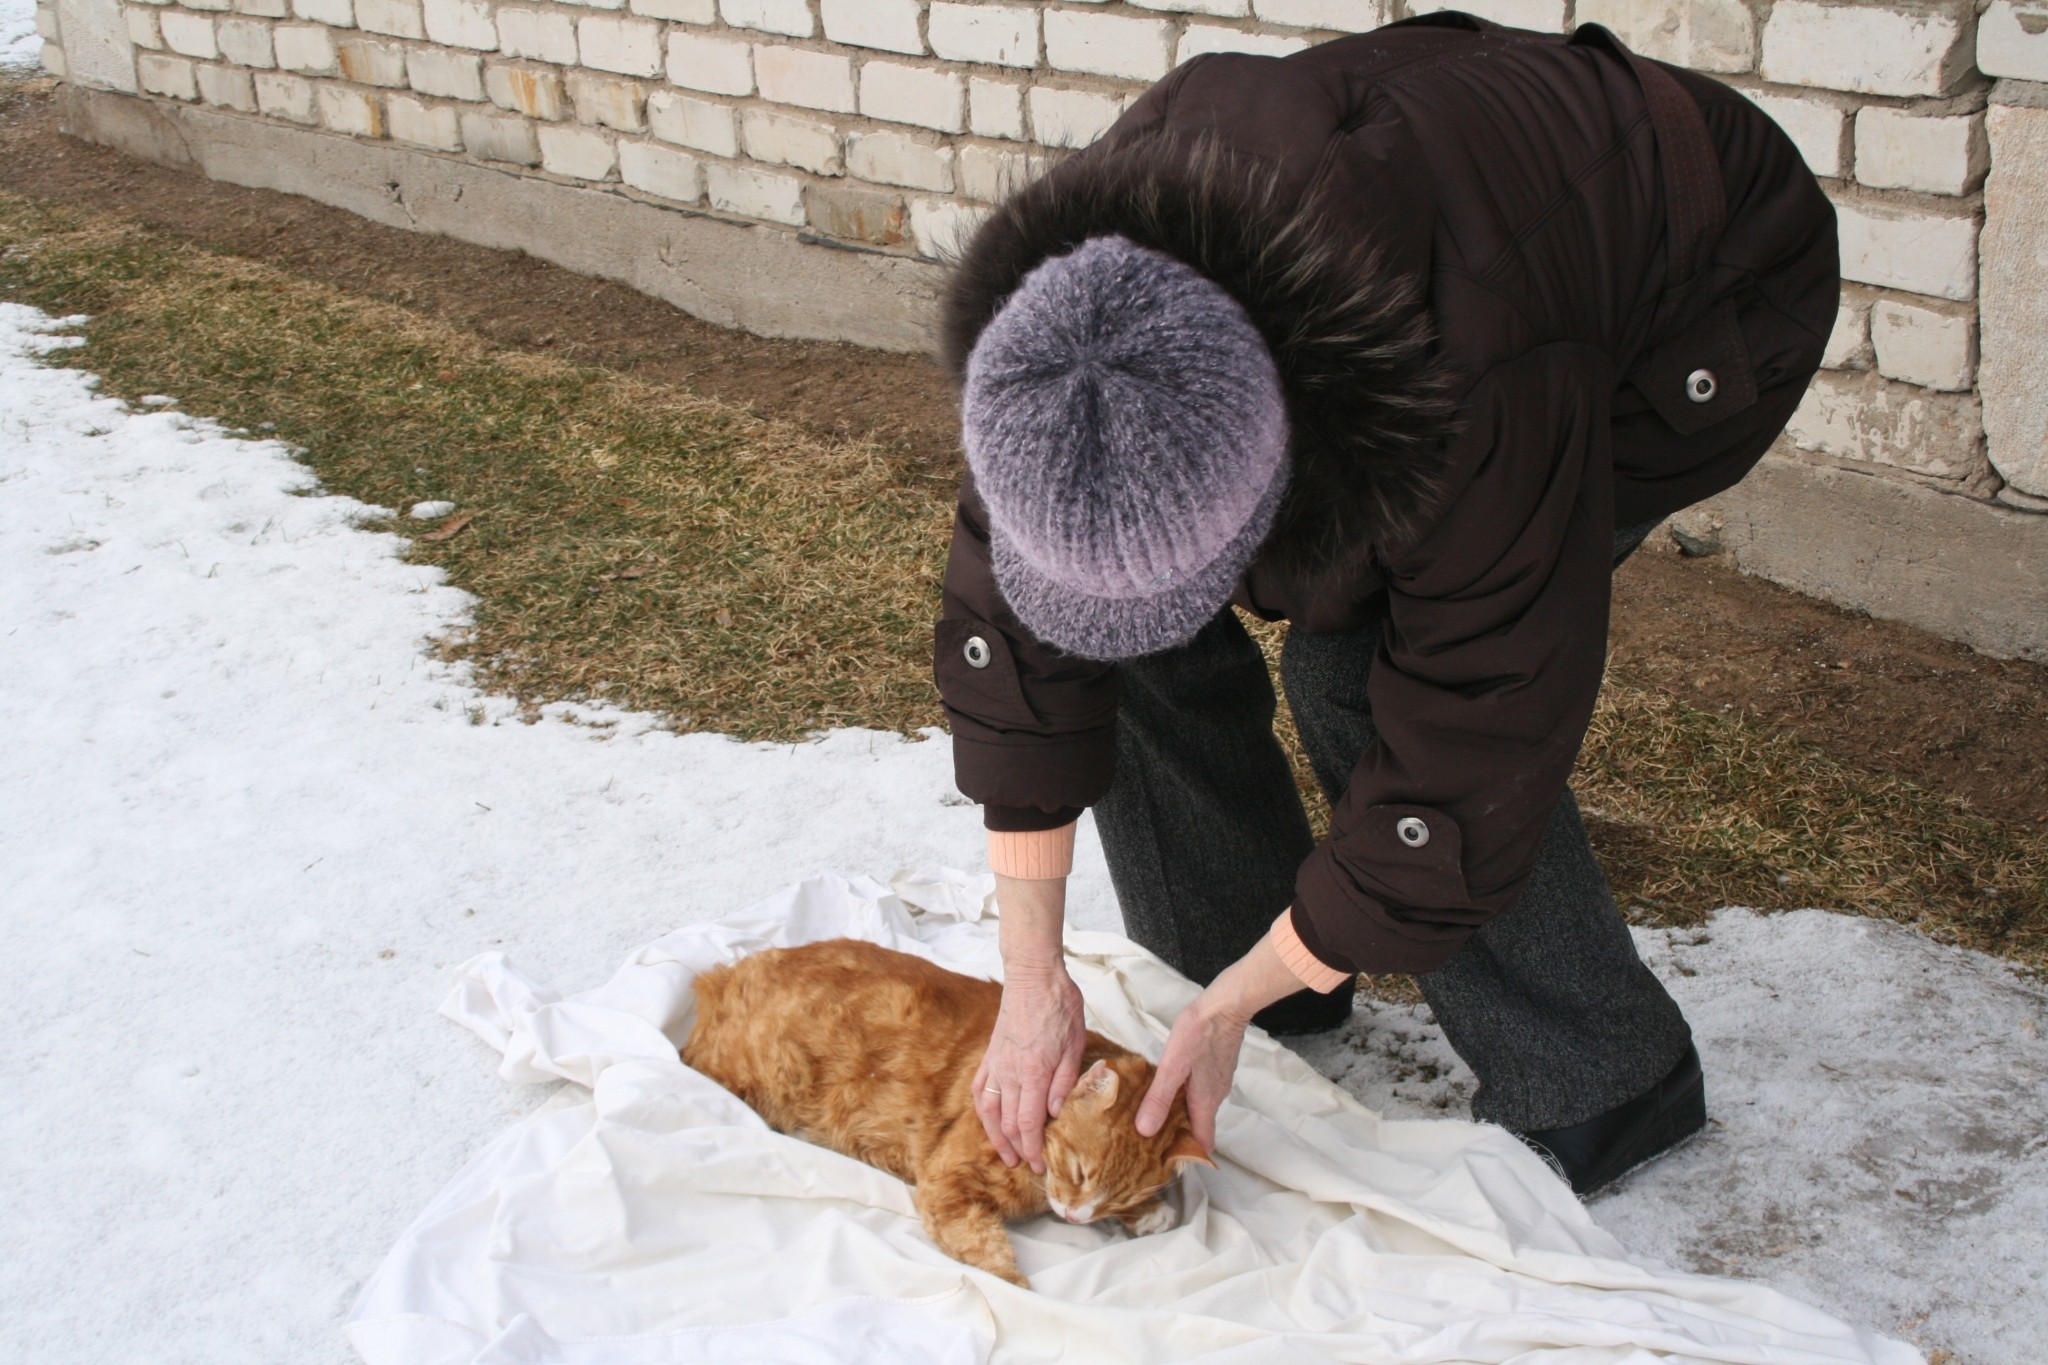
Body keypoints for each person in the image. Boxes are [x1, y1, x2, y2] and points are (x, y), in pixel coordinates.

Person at [932, 13, 1838, 1197]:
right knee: (1116, 623)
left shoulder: (1474, 377)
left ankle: (1602, 1076)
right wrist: (1032, 976)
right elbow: (1016, 625)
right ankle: (1239, 968)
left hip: (1696, 293)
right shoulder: (1067, 335)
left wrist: (1251, 991)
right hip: (1432, 210)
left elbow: (1477, 719)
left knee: (1356, 677)